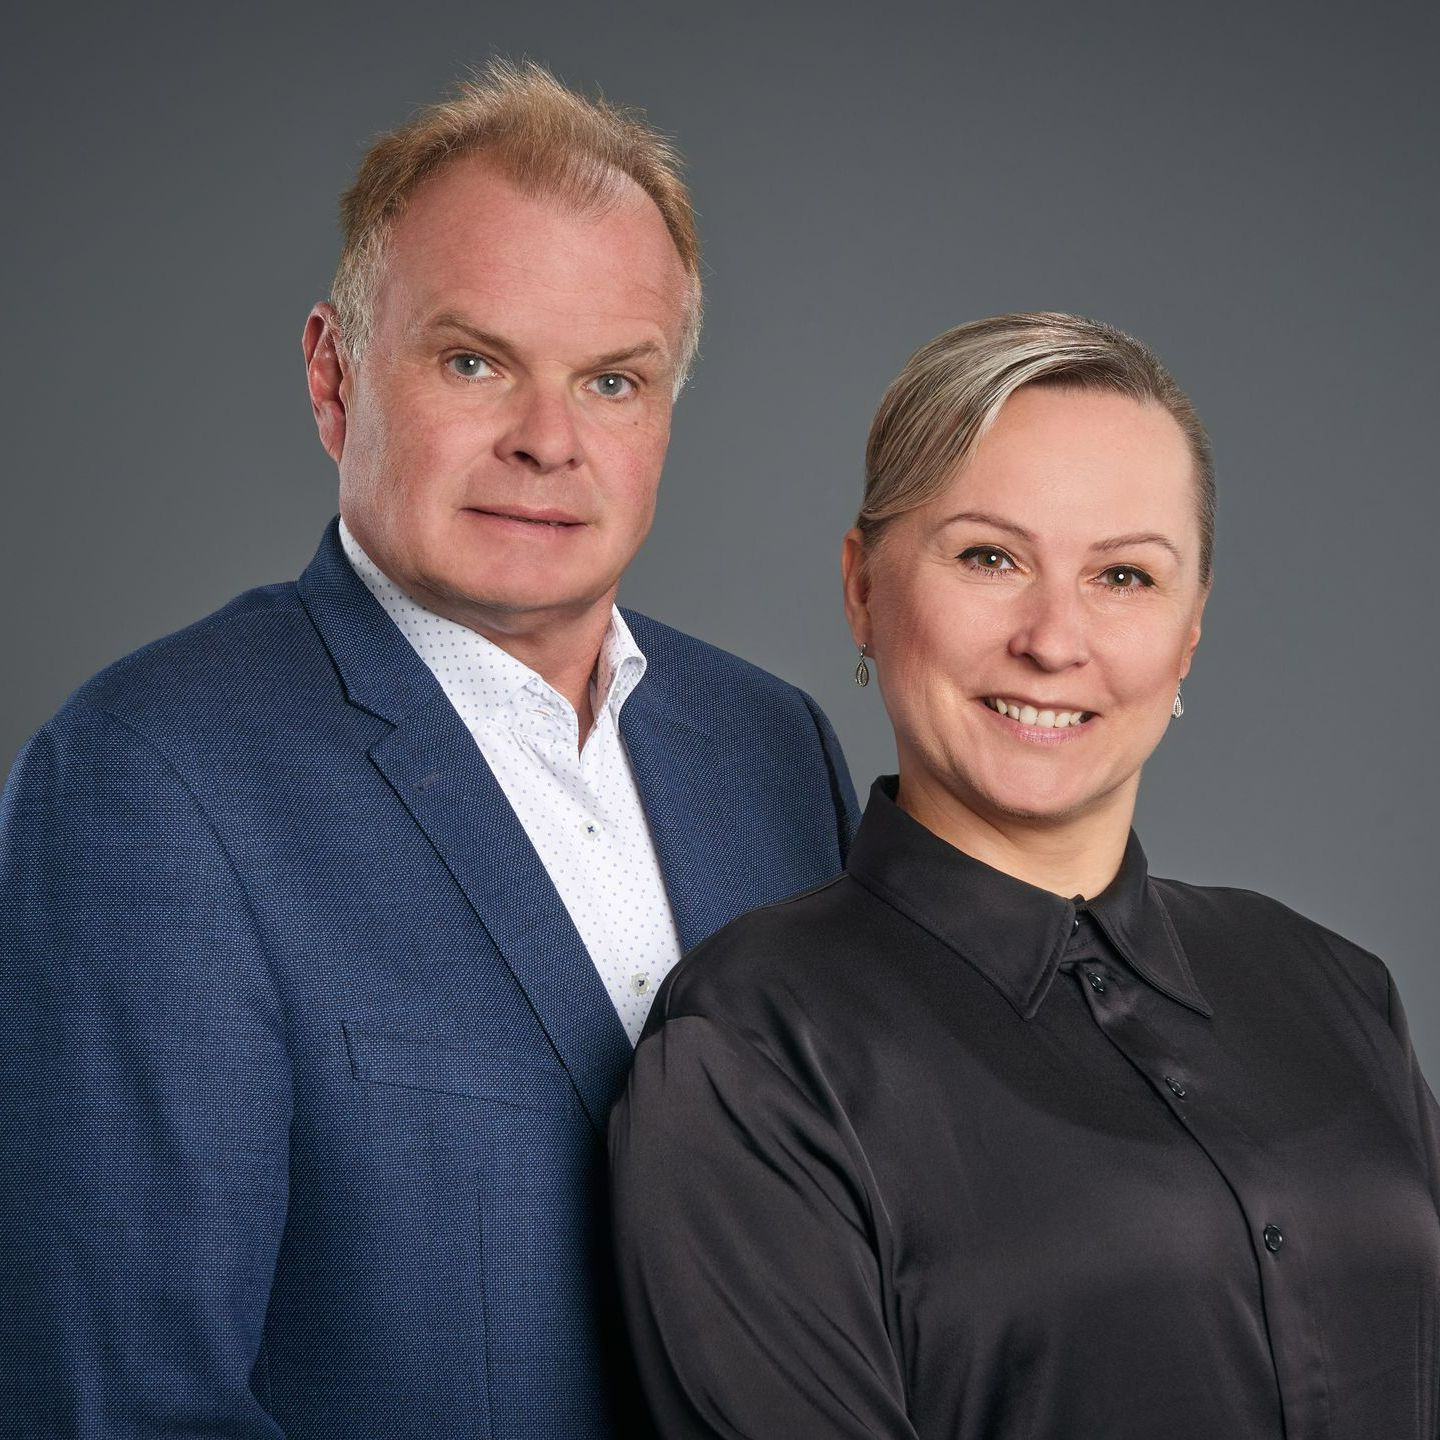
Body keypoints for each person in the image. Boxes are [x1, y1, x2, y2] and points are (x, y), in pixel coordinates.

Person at [0, 61, 857, 1439]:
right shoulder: (150, 776)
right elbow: (117, 1401)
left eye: (613, 381)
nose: (547, 442)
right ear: (334, 376)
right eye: (474, 362)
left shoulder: (770, 751)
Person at [610, 312, 1440, 1439]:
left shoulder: (1335, 988)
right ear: (862, 589)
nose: (1054, 639)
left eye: (1125, 576)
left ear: (1191, 631)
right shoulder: (753, 1049)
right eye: (989, 558)